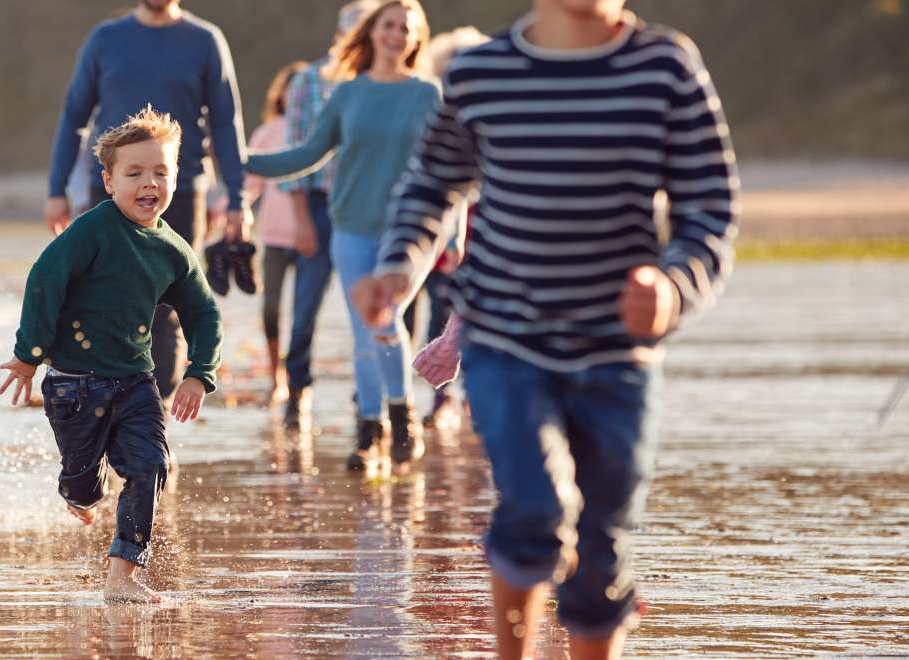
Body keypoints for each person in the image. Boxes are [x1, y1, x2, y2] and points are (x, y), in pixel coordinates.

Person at [352, 0, 739, 656]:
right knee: (535, 506)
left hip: (619, 356)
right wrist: (397, 270)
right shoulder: (485, 72)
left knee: (602, 544)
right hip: (508, 341)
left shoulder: (665, 68)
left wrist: (673, 290)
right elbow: (430, 186)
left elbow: (710, 208)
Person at [1, 107, 222, 603]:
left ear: (175, 178)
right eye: (135, 173)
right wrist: (28, 354)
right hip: (73, 384)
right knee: (85, 487)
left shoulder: (172, 250)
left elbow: (204, 313)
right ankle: (78, 490)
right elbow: (44, 279)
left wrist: (198, 374)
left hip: (135, 383)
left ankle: (122, 574)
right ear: (108, 180)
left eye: (161, 172)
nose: (150, 183)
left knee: (150, 466)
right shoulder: (92, 230)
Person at [248, 0, 439, 474]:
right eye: (388, 25)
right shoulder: (347, 93)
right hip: (351, 225)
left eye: (405, 28)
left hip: (409, 231)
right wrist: (244, 161)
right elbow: (307, 154)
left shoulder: (429, 95)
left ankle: (402, 414)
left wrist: (451, 233)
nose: (395, 35)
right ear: (373, 33)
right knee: (362, 333)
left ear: (416, 39)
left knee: (385, 320)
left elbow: (447, 171)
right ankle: (369, 430)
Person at [44, 0, 249, 399]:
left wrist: (237, 198)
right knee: (104, 303)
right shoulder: (105, 38)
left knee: (166, 308)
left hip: (181, 189)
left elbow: (226, 121)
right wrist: (56, 190)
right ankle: (110, 411)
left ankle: (155, 419)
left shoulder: (205, 40)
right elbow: (74, 116)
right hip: (109, 192)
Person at [276, 0, 381, 430]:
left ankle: (370, 402)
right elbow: (295, 152)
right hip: (319, 205)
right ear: (340, 34)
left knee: (377, 311)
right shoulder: (309, 80)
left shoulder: (383, 85)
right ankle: (297, 391)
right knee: (305, 307)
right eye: (354, 30)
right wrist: (300, 219)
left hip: (368, 206)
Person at [416, 26, 492, 431]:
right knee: (442, 311)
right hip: (439, 230)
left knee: (482, 312)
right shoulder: (433, 111)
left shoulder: (497, 111)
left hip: (487, 229)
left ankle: (477, 394)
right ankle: (441, 395)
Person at [243, 60, 311, 404]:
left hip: (310, 237)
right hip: (273, 237)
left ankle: (300, 384)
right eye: (290, 84)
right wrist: (233, 208)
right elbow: (249, 184)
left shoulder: (318, 130)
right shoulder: (267, 132)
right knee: (270, 309)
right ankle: (276, 376)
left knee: (303, 314)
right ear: (281, 92)